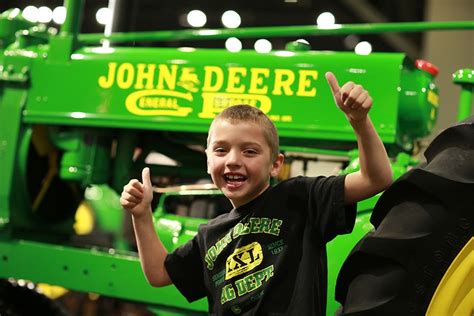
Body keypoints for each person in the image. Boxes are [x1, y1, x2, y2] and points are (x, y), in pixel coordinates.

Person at [120, 72, 393, 315]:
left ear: (276, 164)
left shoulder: (300, 198)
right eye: (221, 150)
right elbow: (158, 273)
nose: (233, 160)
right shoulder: (209, 235)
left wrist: (359, 121)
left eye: (249, 151)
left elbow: (376, 178)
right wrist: (141, 214)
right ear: (207, 161)